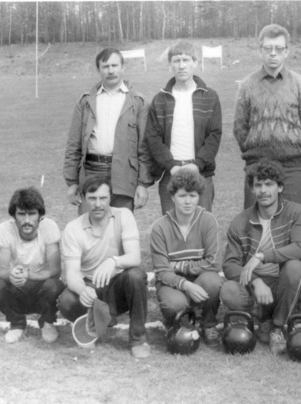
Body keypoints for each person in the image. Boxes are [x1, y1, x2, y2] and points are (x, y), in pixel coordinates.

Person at [220, 160, 301, 354]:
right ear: (252, 189)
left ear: (280, 187)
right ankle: (261, 318)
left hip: (281, 283)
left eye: (269, 184)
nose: (263, 190)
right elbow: (229, 264)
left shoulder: (295, 212)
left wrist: (261, 256)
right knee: (228, 289)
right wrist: (256, 281)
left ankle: (277, 326)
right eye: (258, 185)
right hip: (255, 286)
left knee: (295, 267)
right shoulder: (240, 221)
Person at [58, 176, 150, 358]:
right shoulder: (73, 228)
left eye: (103, 198)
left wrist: (113, 261)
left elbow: (135, 257)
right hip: (91, 286)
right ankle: (93, 322)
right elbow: (72, 274)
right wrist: (83, 290)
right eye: (92, 198)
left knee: (136, 276)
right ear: (84, 198)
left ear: (111, 197)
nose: (98, 204)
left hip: (118, 285)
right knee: (66, 301)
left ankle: (138, 340)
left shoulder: (124, 215)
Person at [233, 24, 301, 210]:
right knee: (256, 223)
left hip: (292, 169)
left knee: (295, 221)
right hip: (257, 168)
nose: (273, 53)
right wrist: (255, 152)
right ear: (260, 50)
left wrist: (295, 150)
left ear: (286, 52)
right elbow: (239, 126)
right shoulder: (247, 85)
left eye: (279, 49)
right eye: (268, 48)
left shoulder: (300, 84)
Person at [63, 47, 152, 214]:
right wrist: (72, 182)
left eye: (115, 65)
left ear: (123, 67)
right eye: (105, 66)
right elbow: (73, 145)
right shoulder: (85, 101)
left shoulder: (139, 102)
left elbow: (145, 149)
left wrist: (142, 184)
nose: (111, 71)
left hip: (124, 175)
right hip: (92, 173)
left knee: (119, 226)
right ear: (98, 70)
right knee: (90, 226)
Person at [145, 41, 222, 215]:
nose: (181, 66)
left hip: (200, 173)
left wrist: (198, 165)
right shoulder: (160, 99)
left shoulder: (210, 97)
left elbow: (214, 135)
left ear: (195, 62)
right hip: (171, 173)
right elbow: (153, 137)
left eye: (186, 60)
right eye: (176, 60)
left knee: (201, 226)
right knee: (172, 227)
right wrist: (171, 166)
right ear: (170, 64)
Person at [150, 170, 224, 345]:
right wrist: (186, 285)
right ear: (172, 197)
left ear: (199, 196)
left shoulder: (208, 221)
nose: (188, 201)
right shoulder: (160, 227)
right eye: (182, 196)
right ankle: (180, 322)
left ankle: (208, 323)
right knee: (175, 303)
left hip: (201, 279)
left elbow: (214, 262)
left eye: (193, 195)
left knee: (213, 282)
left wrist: (179, 266)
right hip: (172, 283)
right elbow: (162, 271)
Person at [0, 187, 65, 343]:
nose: (27, 220)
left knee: (55, 286)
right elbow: (0, 271)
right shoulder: (5, 229)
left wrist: (30, 275)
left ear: (40, 215)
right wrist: (11, 275)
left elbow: (56, 271)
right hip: (18, 288)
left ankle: (47, 321)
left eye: (32, 213)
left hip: (42, 290)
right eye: (21, 214)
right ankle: (17, 323)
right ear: (14, 216)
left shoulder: (49, 227)